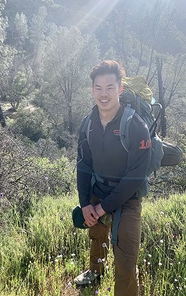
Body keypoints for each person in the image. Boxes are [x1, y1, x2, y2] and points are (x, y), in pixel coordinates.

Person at [74, 60, 151, 296]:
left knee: (125, 262)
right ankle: (95, 272)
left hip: (128, 198)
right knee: (97, 236)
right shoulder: (88, 124)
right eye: (99, 88)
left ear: (119, 89)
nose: (103, 94)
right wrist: (86, 204)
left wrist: (103, 208)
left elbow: (135, 177)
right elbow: (84, 165)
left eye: (109, 87)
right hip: (99, 190)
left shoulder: (135, 126)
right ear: (92, 90)